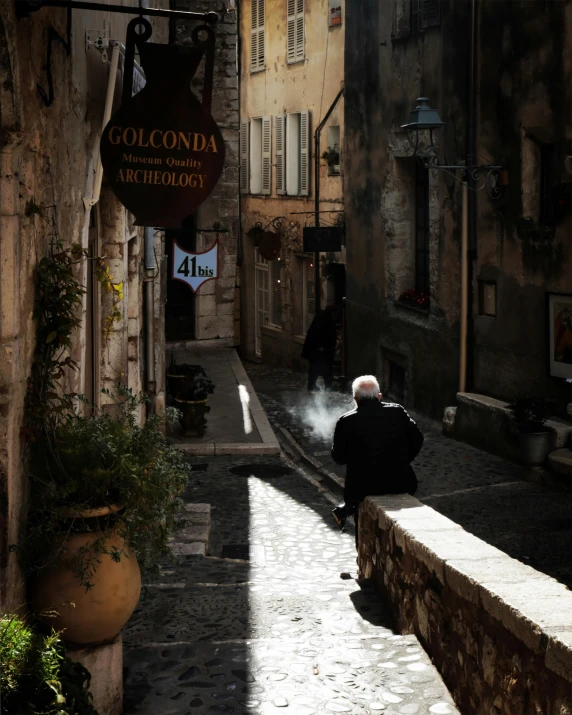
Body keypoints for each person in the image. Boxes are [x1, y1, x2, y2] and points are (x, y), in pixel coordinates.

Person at [331, 375, 424, 548]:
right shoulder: (398, 411)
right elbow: (418, 439)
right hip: (401, 482)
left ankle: (347, 512)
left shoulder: (346, 421)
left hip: (363, 489)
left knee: (365, 537)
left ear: (355, 400)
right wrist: (403, 460)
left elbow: (339, 458)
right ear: (379, 396)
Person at [300, 305, 338, 392]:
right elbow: (319, 332)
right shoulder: (325, 318)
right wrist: (321, 346)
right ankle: (316, 386)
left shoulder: (323, 316)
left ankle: (320, 385)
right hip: (318, 350)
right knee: (318, 368)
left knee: (320, 369)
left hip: (319, 349)